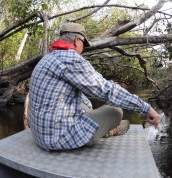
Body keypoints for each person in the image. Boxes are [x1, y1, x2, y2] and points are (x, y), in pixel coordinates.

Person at [27, 22, 160, 151]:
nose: (83, 49)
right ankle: (105, 132)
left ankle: (96, 126)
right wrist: (147, 109)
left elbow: (85, 89)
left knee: (86, 103)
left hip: (39, 134)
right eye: (83, 44)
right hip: (57, 138)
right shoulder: (70, 58)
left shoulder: (47, 58)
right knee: (115, 112)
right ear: (77, 41)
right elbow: (107, 91)